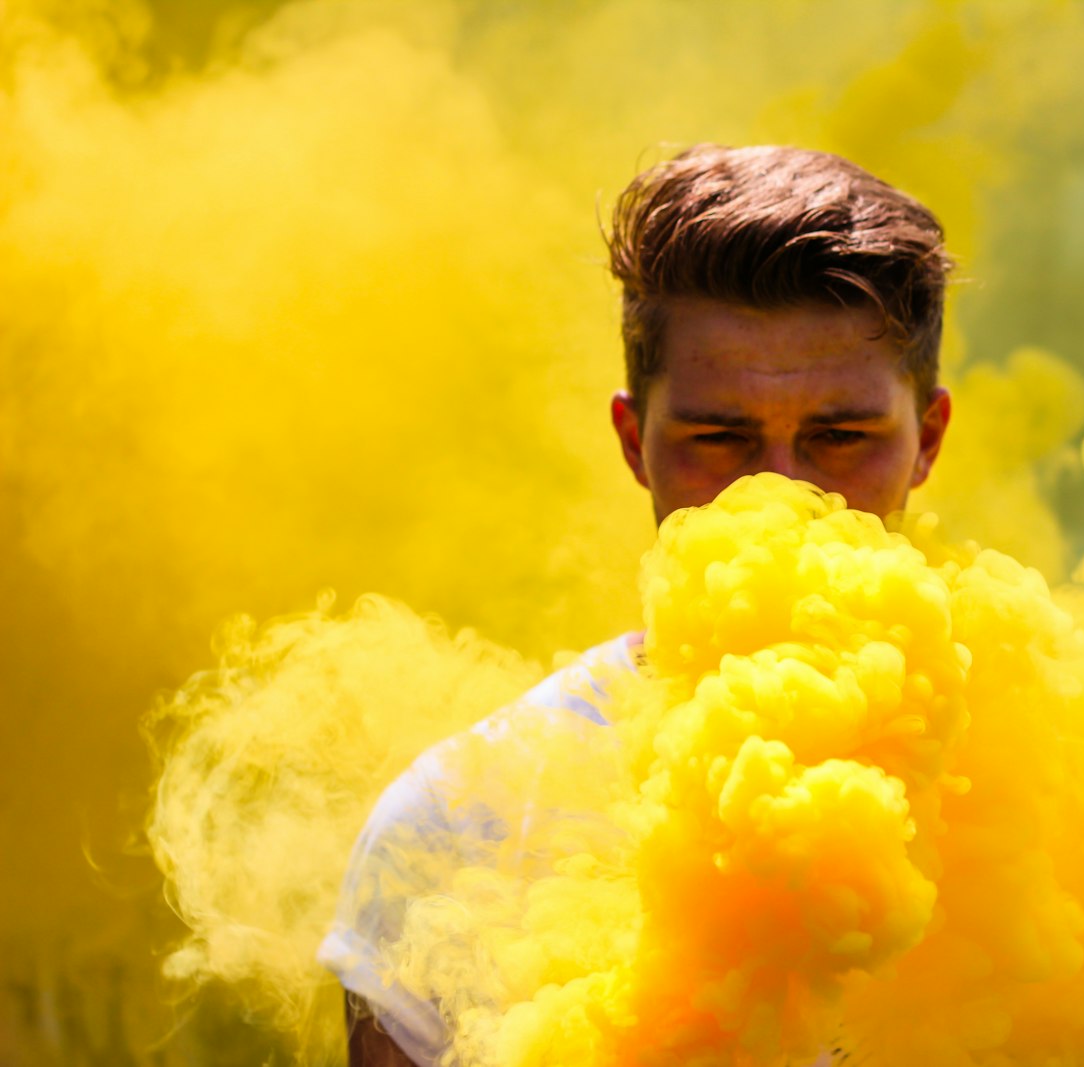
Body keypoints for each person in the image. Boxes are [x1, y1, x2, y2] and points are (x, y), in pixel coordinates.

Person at [320, 143, 955, 1067]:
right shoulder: (460, 823)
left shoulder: (1071, 806)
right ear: (633, 441)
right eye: (718, 436)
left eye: (840, 436)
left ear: (926, 439)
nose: (776, 491)